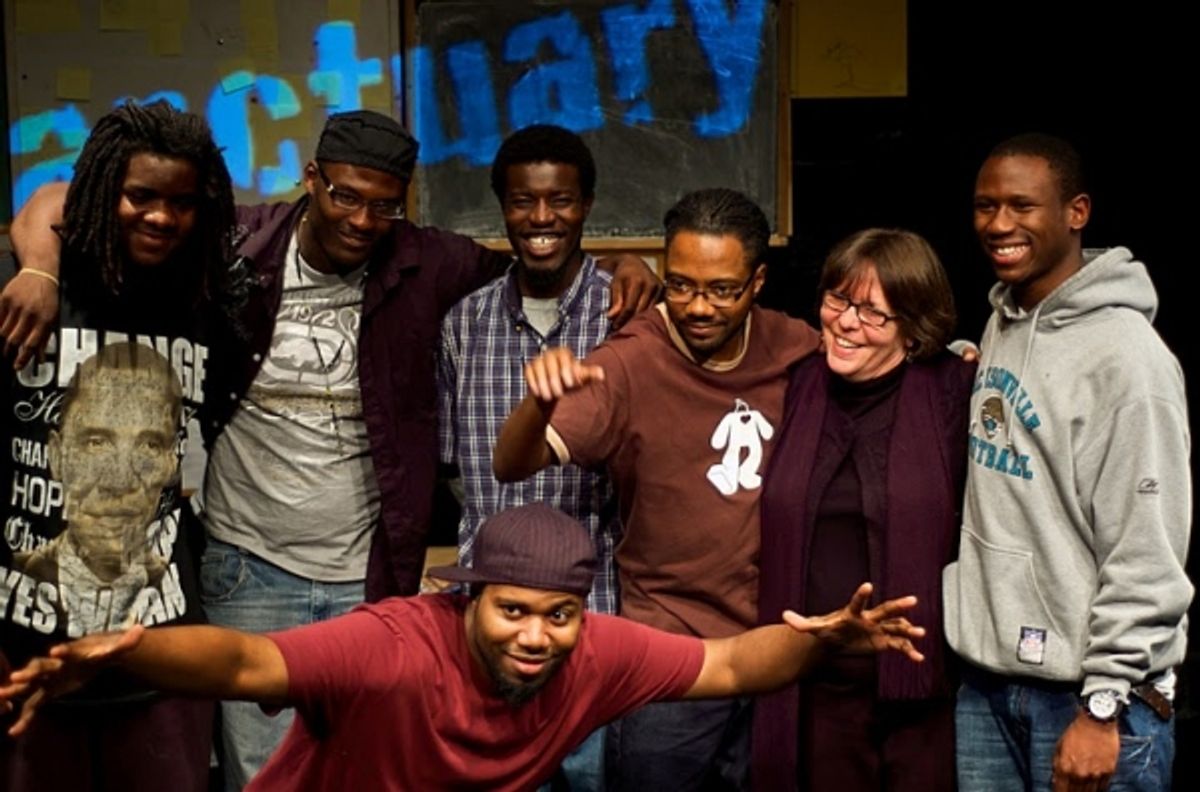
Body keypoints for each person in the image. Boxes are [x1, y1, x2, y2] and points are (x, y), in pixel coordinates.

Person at [1, 110, 659, 788]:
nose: (362, 219)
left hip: (365, 576)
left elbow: (540, 252)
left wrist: (624, 264)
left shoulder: (428, 262)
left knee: (360, 765)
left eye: (383, 205)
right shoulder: (235, 244)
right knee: (263, 774)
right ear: (311, 179)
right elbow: (60, 199)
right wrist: (42, 273)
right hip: (245, 566)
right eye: (345, 195)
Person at [0, 502, 927, 792]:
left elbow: (728, 665)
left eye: (557, 615)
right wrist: (126, 651)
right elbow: (247, 664)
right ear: (467, 600)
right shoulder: (395, 644)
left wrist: (824, 642)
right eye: (512, 611)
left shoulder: (595, 649)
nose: (536, 636)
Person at [494, 188, 822, 789]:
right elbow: (512, 464)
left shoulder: (795, 345)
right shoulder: (629, 362)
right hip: (672, 654)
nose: (698, 307)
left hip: (775, 645)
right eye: (681, 285)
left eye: (721, 289)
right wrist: (537, 405)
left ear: (757, 283)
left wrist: (949, 357)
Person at [942, 133, 1192, 791]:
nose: (999, 225)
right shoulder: (1005, 320)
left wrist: (1105, 701)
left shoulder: (1128, 359)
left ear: (1076, 212)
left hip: (1091, 699)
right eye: (985, 206)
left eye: (1022, 206)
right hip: (989, 683)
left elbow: (1147, 546)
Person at [0, 101, 237, 792]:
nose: (162, 216)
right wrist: (41, 269)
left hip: (158, 648)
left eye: (182, 202)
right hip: (24, 647)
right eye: (141, 196)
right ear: (105, 191)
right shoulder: (26, 289)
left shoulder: (203, 297)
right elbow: (49, 199)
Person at [752, 228, 972, 790]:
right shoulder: (796, 385)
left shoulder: (955, 392)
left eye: (874, 313)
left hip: (923, 697)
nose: (847, 323)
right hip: (810, 690)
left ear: (913, 324)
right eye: (838, 301)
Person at [438, 124, 620, 789]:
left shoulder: (625, 314)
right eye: (523, 202)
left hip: (593, 611)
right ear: (503, 208)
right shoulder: (463, 323)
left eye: (561, 200)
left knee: (590, 777)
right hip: (486, 623)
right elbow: (455, 467)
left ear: (588, 205)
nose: (542, 218)